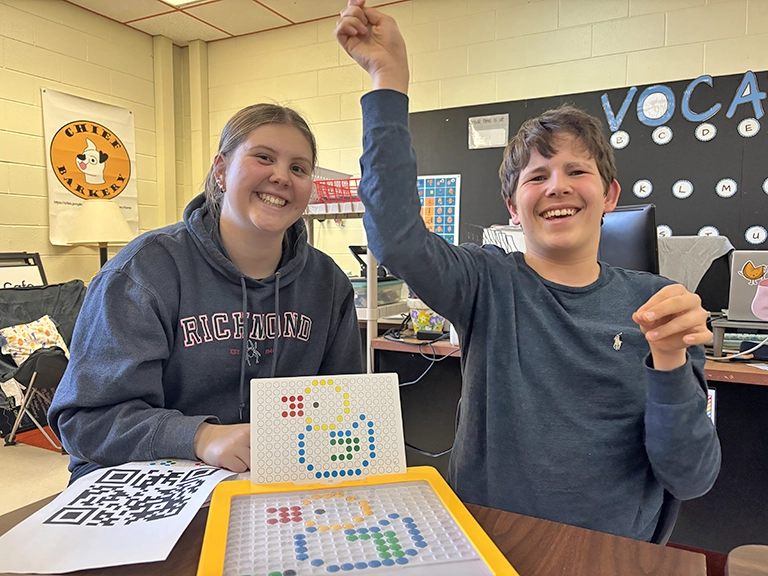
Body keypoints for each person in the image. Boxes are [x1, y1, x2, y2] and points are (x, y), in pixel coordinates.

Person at [335, 0, 720, 541]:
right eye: (536, 177)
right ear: (513, 208)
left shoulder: (661, 306)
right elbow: (396, 235)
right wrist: (387, 81)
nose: (557, 186)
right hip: (493, 542)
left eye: (576, 171)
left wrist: (670, 358)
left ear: (609, 195)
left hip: (613, 551)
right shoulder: (488, 284)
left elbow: (692, 476)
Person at [49, 103, 363, 483]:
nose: (281, 176)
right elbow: (86, 422)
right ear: (221, 170)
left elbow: (342, 414)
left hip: (267, 482)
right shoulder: (142, 272)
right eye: (264, 157)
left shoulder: (328, 285)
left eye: (299, 168)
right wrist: (200, 436)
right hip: (143, 480)